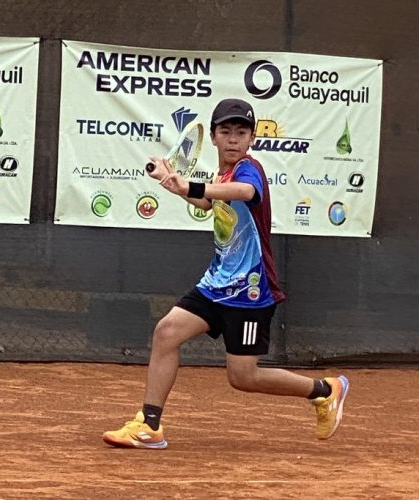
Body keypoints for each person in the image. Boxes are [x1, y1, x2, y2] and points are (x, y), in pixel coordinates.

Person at [102, 98, 349, 449]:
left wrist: (190, 186)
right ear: (215, 137)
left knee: (243, 377)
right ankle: (149, 425)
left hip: (250, 291)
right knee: (167, 332)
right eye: (226, 131)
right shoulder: (222, 175)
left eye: (241, 132)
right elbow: (209, 202)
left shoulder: (249, 169)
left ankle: (324, 390)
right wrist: (173, 185)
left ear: (251, 139)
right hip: (216, 284)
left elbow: (246, 193)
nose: (233, 139)